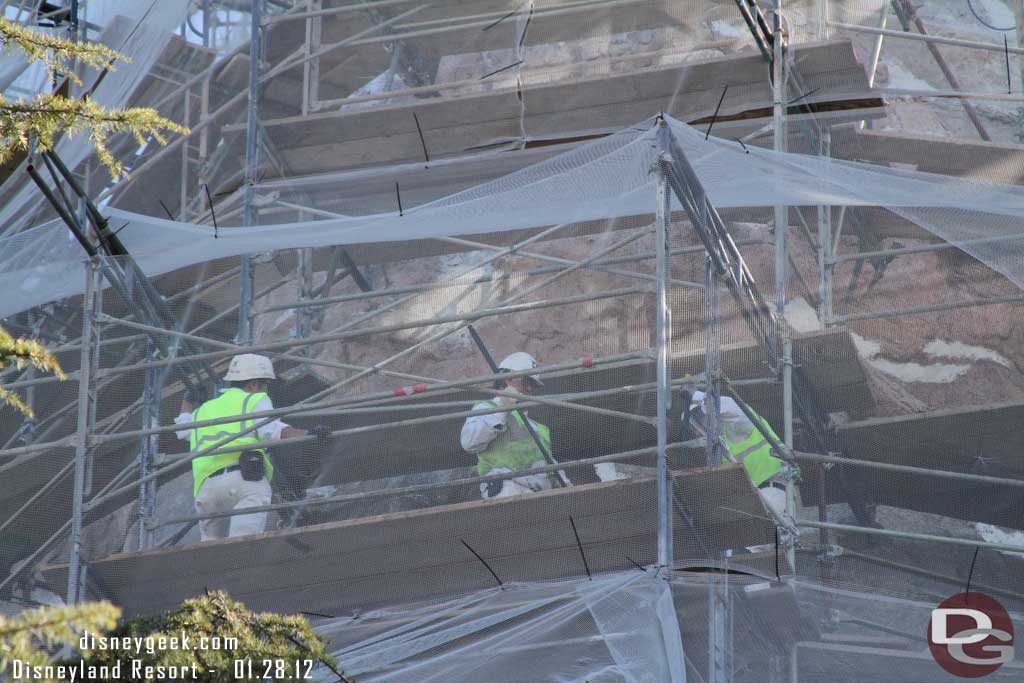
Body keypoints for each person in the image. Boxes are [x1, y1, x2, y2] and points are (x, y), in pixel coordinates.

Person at [174, 353, 326, 541]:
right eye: (264, 385)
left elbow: (183, 430)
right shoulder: (253, 400)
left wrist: (187, 402)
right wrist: (309, 433)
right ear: (253, 384)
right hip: (244, 481)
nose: (265, 391)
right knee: (243, 544)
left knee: (210, 552)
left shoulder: (204, 410)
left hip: (207, 490)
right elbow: (273, 430)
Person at [461, 352, 555, 499]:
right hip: (506, 489)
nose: (530, 389)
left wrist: (566, 484)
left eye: (533, 385)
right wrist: (501, 411)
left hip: (541, 494)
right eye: (527, 382)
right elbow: (469, 443)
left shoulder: (537, 427)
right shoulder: (487, 409)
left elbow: (549, 465)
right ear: (508, 378)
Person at [687, 390, 789, 522]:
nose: (696, 431)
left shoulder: (738, 429)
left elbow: (732, 407)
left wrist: (697, 396)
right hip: (753, 500)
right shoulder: (719, 450)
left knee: (770, 530)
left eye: (698, 422)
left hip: (773, 490)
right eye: (693, 428)